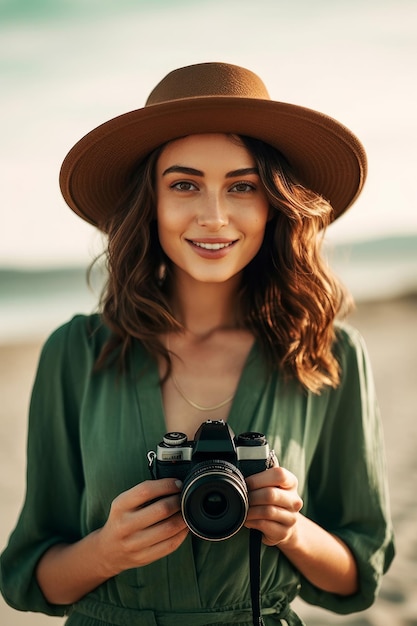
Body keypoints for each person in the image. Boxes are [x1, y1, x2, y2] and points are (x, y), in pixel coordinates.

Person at [0, 62, 394, 626]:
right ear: (150, 203)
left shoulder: (328, 356)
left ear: (275, 203)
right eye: (184, 184)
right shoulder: (75, 352)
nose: (214, 216)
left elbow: (359, 577)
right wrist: (107, 551)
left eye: (242, 186)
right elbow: (28, 576)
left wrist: (292, 529)